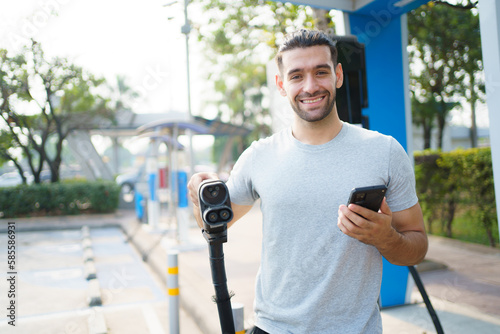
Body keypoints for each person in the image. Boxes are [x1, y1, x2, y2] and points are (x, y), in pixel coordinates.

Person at [188, 29, 428, 334]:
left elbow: (417, 245)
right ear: (281, 84)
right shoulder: (259, 155)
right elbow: (213, 225)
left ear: (338, 75)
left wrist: (385, 238)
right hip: (273, 328)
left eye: (321, 72)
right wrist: (197, 196)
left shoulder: (385, 151)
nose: (311, 86)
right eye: (297, 76)